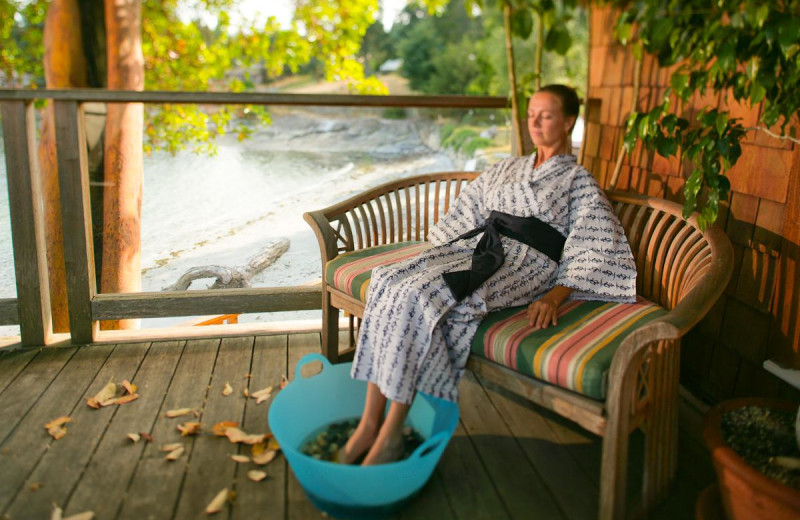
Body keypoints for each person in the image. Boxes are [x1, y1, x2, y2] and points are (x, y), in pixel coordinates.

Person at [339, 84, 637, 465]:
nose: (536, 122)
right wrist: (437, 255)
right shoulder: (508, 167)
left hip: (526, 263)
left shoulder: (578, 181)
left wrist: (555, 295)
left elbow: (595, 243)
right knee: (388, 280)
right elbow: (469, 209)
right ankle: (368, 424)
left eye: (546, 115)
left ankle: (392, 432)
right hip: (479, 246)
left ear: (568, 121)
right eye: (531, 114)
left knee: (421, 293)